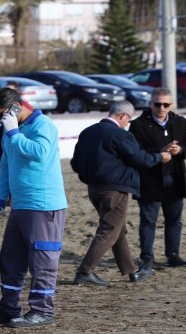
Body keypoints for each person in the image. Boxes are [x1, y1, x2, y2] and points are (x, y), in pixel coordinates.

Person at [0, 87, 67, 328]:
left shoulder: (43, 126)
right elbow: (6, 167)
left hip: (44, 205)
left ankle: (43, 310)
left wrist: (14, 133)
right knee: (11, 258)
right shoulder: (9, 133)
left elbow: (39, 153)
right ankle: (9, 307)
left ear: (15, 107)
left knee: (42, 259)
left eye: (0, 115)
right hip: (20, 205)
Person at [71, 100, 171, 286]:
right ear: (123, 115)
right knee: (109, 230)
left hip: (94, 188)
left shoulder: (88, 132)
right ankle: (84, 271)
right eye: (129, 120)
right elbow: (139, 159)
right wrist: (160, 157)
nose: (128, 123)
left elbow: (75, 163)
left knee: (117, 228)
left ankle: (131, 270)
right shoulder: (119, 134)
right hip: (115, 189)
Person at [129, 88, 186, 271]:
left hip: (174, 178)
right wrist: (160, 151)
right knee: (148, 221)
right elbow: (134, 153)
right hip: (149, 180)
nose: (161, 108)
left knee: (174, 220)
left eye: (165, 104)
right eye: (157, 104)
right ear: (150, 104)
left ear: (171, 105)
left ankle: (173, 255)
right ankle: (147, 257)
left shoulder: (180, 122)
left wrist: (180, 150)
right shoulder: (138, 125)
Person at [0, 81, 21, 164]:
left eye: (11, 91)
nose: (6, 94)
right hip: (3, 153)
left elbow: (39, 152)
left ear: (17, 93)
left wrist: (13, 133)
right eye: (5, 91)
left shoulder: (23, 112)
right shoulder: (0, 110)